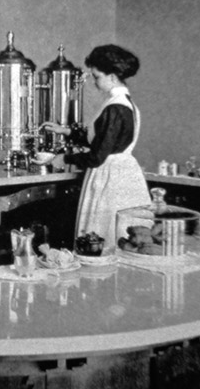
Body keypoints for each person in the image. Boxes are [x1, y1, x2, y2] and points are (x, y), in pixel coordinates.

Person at [41, 44, 151, 254]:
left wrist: (64, 159)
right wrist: (65, 131)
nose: (95, 82)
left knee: (105, 235)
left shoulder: (116, 107)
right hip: (121, 173)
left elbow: (97, 156)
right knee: (119, 237)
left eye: (97, 77)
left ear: (112, 77)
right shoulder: (123, 103)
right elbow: (99, 139)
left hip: (111, 177)